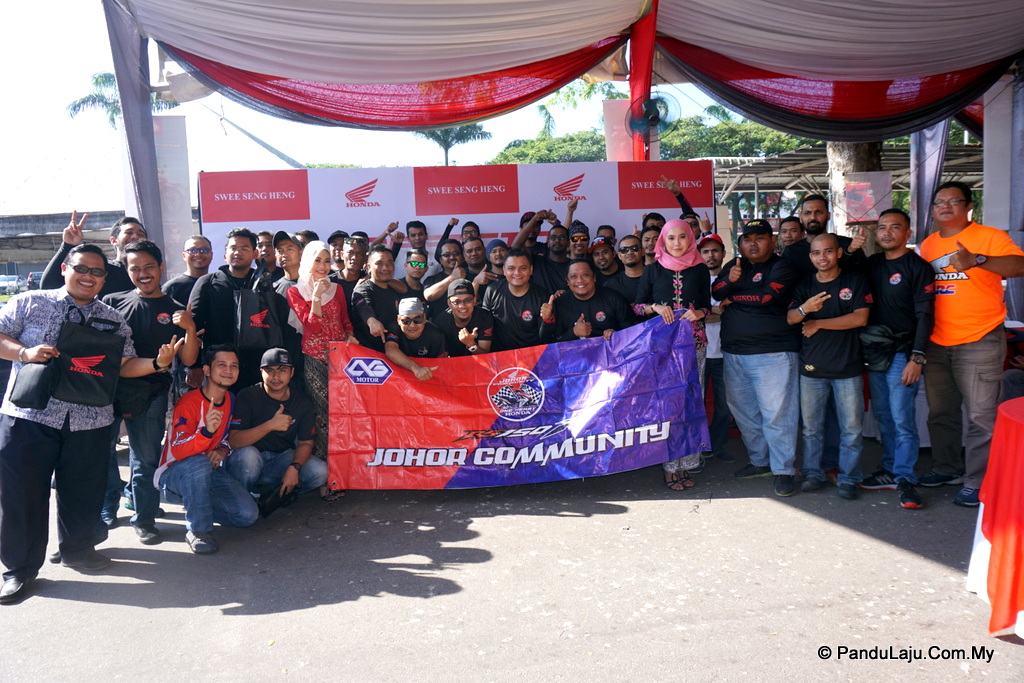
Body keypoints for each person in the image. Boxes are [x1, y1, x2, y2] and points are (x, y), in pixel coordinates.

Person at [0, 244, 179, 603]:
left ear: (104, 279)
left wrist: (158, 363)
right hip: (30, 416)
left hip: (90, 420)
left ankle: (78, 550)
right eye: (82, 268)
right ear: (65, 268)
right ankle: (19, 569)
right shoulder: (30, 302)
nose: (89, 277)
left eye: (97, 272)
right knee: (22, 496)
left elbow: (124, 365)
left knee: (83, 493)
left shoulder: (113, 318)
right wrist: (24, 353)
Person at [918, 181, 1024, 507]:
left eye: (953, 201)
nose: (945, 206)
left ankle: (979, 482)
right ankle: (946, 468)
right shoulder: (928, 245)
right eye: (939, 202)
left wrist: (977, 259)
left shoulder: (989, 236)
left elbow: (1019, 266)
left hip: (979, 339)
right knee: (941, 412)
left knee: (981, 416)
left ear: (968, 206)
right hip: (936, 341)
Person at [103, 240, 200, 544]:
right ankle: (105, 509)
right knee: (99, 455)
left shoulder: (175, 310)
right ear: (127, 270)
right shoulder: (111, 302)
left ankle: (144, 518)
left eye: (149, 267)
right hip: (106, 392)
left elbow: (189, 360)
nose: (143, 274)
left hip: (151, 394)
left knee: (145, 460)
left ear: (160, 268)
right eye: (135, 268)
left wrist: (189, 328)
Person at [712, 219, 802, 497]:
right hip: (734, 353)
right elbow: (716, 292)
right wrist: (730, 281)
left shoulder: (782, 265)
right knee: (745, 413)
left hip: (773, 353)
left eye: (759, 238)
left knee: (778, 415)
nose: (752, 243)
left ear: (772, 241)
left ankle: (784, 470)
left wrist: (733, 298)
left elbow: (766, 297)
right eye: (747, 238)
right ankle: (760, 461)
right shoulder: (736, 265)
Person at [787, 233, 872, 500]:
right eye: (816, 253)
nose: (821, 257)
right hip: (812, 368)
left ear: (838, 253)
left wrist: (819, 323)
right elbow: (791, 318)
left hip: (848, 367)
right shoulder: (805, 284)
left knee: (851, 429)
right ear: (810, 256)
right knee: (811, 429)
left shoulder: (854, 280)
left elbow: (860, 318)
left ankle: (849, 478)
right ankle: (813, 474)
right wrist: (805, 309)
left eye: (827, 251)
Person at [860, 208, 935, 509]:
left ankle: (905, 478)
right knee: (884, 416)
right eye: (882, 227)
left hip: (903, 354)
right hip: (874, 352)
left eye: (895, 227)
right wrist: (851, 250)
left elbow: (925, 314)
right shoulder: (872, 264)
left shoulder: (918, 267)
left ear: (907, 233)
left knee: (902, 418)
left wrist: (917, 357)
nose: (887, 232)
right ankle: (891, 469)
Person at [155, 345, 258, 555]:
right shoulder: (188, 402)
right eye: (221, 365)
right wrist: (207, 433)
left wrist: (222, 450)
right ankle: (198, 530)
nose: (228, 370)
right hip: (173, 475)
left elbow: (229, 438)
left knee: (246, 515)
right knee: (198, 461)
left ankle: (199, 505)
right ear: (207, 370)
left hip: (209, 471)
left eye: (234, 366)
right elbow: (179, 451)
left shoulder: (231, 399)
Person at [633, 219, 712, 490]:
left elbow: (706, 306)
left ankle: (687, 463)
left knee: (691, 403)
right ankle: (669, 466)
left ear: (690, 239)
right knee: (667, 406)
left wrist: (699, 313)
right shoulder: (652, 270)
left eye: (682, 237)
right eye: (671, 238)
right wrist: (655, 307)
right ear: (662, 241)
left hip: (694, 344)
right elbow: (637, 307)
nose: (677, 243)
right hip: (662, 348)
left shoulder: (700, 269)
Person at [286, 241, 355, 484]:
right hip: (315, 359)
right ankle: (327, 476)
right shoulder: (296, 291)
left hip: (341, 359)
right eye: (317, 261)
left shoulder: (337, 289)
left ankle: (346, 470)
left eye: (327, 261)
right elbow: (312, 326)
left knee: (344, 413)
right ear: (307, 262)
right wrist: (315, 296)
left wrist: (350, 335)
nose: (323, 266)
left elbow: (345, 320)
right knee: (323, 416)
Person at [227, 348, 327, 511]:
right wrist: (270, 425)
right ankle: (243, 499)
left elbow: (306, 443)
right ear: (261, 372)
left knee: (320, 471)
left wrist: (295, 467)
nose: (276, 376)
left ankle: (276, 495)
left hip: (281, 459)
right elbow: (234, 441)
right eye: (270, 370)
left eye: (282, 370)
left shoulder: (301, 401)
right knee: (248, 456)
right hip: (251, 461)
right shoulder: (248, 396)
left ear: (292, 372)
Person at [188, 227, 269, 391]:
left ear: (255, 254)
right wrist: (195, 365)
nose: (238, 252)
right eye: (233, 248)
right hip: (217, 366)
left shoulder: (265, 284)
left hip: (256, 366)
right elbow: (194, 326)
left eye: (244, 248)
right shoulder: (208, 282)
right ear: (225, 252)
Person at [697, 233, 734, 462]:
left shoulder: (732, 280)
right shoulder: (694, 281)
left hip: (725, 353)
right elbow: (694, 316)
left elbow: (735, 312)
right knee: (697, 405)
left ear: (723, 253)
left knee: (724, 406)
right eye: (706, 251)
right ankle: (698, 448)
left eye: (715, 251)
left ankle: (716, 446)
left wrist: (706, 313)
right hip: (699, 353)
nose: (711, 255)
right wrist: (719, 311)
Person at [40, 212, 141, 296]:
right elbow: (49, 286)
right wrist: (67, 245)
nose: (135, 237)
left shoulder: (149, 272)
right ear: (114, 241)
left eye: (141, 234)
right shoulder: (101, 268)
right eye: (129, 233)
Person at [541, 260, 634, 342]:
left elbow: (632, 332)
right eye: (573, 276)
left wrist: (616, 334)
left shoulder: (613, 298)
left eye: (585, 275)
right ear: (567, 281)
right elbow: (551, 343)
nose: (580, 280)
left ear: (594, 277)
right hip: (574, 355)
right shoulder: (560, 304)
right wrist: (573, 332)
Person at [482, 249, 551, 351]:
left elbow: (545, 338)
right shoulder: (492, 291)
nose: (517, 273)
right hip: (500, 355)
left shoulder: (542, 296)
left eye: (523, 268)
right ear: (504, 270)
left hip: (531, 355)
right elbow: (484, 327)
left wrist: (547, 320)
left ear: (531, 270)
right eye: (511, 268)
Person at [786, 194, 866, 276]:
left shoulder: (848, 245)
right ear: (801, 217)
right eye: (807, 213)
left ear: (828, 215)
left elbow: (860, 276)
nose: (813, 217)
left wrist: (849, 252)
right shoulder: (791, 252)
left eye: (818, 212)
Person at [352, 246, 405, 351]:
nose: (385, 268)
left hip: (395, 351)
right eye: (379, 263)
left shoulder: (396, 289)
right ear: (368, 266)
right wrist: (371, 321)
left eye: (389, 263)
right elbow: (363, 306)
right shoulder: (362, 290)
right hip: (367, 354)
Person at [385, 299, 447, 381]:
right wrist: (415, 368)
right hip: (401, 376)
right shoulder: (394, 328)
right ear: (399, 320)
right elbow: (390, 350)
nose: (412, 325)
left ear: (424, 318)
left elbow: (440, 364)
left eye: (417, 320)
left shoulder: (436, 335)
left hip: (427, 377)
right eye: (406, 321)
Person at [433, 279, 494, 357]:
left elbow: (485, 355)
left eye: (467, 300)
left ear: (474, 300)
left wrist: (471, 344)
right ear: (449, 303)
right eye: (456, 302)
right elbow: (443, 358)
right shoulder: (440, 323)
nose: (462, 306)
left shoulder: (484, 316)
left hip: (478, 362)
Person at [422, 240, 467, 320]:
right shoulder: (432, 280)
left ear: (462, 257)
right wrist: (452, 277)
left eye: (456, 253)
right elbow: (428, 295)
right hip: (439, 326)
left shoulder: (472, 277)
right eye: (447, 255)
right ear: (440, 260)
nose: (452, 257)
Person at [162, 234, 213, 304]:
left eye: (204, 250)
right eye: (193, 250)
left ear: (211, 255)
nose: (198, 254)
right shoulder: (172, 287)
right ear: (184, 256)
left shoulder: (218, 284)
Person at [604, 234, 644, 304]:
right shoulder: (611, 285)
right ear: (619, 255)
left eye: (634, 248)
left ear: (643, 251)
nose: (629, 252)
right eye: (624, 250)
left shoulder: (657, 276)